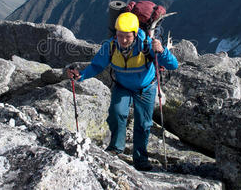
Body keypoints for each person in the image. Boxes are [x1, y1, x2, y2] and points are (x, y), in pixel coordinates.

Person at [67, 12, 178, 171]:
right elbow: (97, 66)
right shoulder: (110, 46)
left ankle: (140, 159)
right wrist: (80, 75)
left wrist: (161, 51)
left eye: (127, 36)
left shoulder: (147, 45)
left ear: (134, 33)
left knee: (143, 123)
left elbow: (173, 65)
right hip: (123, 86)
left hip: (145, 88)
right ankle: (115, 148)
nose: (123, 40)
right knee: (117, 112)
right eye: (120, 35)